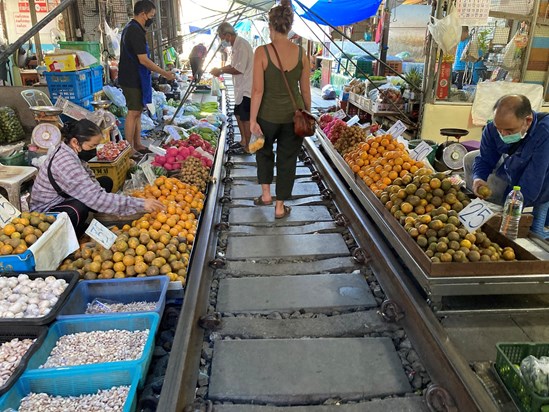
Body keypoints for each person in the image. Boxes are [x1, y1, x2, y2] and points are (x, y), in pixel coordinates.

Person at [30, 120, 164, 237]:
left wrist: (112, 204)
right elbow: (95, 197)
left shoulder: (69, 149)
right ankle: (74, 233)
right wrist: (141, 204)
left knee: (105, 182)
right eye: (92, 146)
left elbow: (90, 179)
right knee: (81, 207)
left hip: (66, 196)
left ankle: (101, 210)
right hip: (47, 213)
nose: (94, 151)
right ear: (75, 142)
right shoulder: (66, 163)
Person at [249, 0, 311, 219]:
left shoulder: (262, 52)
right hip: (292, 118)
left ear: (270, 25)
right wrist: (306, 114)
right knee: (288, 159)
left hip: (267, 115)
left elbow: (257, 90)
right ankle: (279, 206)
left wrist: (252, 119)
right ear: (290, 25)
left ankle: (266, 195)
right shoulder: (302, 53)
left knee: (264, 152)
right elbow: (305, 91)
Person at [463, 94, 549, 207]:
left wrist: (512, 206)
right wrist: (479, 178)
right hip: (514, 163)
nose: (503, 134)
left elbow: (533, 179)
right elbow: (485, 158)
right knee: (470, 158)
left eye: (509, 130)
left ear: (527, 121)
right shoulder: (493, 127)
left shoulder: (544, 133)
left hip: (542, 177)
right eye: (499, 129)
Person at [119, 0, 175, 154]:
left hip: (135, 76)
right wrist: (165, 73)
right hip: (132, 77)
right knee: (133, 112)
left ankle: (137, 144)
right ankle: (128, 149)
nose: (151, 19)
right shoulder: (134, 31)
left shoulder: (132, 28)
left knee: (137, 112)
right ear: (143, 14)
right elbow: (143, 59)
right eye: (151, 15)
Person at [210, 22, 253, 154]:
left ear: (228, 35)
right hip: (240, 87)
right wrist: (221, 69)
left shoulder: (242, 46)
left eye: (222, 37)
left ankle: (248, 147)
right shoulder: (235, 46)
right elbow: (233, 65)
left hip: (247, 87)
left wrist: (221, 70)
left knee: (245, 118)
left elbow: (238, 69)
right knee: (238, 114)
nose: (222, 41)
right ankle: (243, 141)